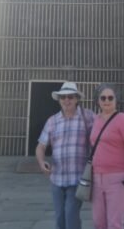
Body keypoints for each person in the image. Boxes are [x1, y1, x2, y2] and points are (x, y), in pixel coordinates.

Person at [36, 82, 95, 229]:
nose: (66, 100)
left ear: (76, 99)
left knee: (70, 215)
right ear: (59, 100)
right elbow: (41, 146)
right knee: (60, 218)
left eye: (70, 97)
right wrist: (41, 162)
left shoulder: (87, 117)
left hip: (77, 178)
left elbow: (102, 136)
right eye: (63, 97)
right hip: (57, 178)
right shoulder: (52, 121)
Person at [90, 84, 124, 229]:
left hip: (118, 178)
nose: (107, 101)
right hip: (96, 177)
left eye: (110, 98)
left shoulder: (122, 119)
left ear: (116, 100)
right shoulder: (96, 120)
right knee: (99, 223)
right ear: (98, 101)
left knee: (115, 223)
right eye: (103, 98)